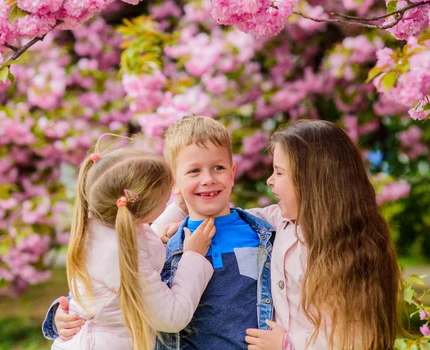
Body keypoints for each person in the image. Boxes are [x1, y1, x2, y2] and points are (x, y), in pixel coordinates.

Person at [43, 117, 276, 350]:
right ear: (175, 184)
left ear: (232, 173)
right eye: (194, 171)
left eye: (218, 168)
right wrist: (59, 316)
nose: (208, 179)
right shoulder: (153, 244)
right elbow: (106, 289)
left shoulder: (263, 228)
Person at [244, 120, 402, 349]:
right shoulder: (281, 220)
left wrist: (288, 344)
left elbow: (357, 336)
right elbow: (231, 218)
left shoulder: (353, 248)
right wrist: (179, 218)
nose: (270, 180)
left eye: (279, 172)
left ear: (311, 182)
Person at [50, 138, 216, 350]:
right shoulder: (117, 256)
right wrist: (194, 257)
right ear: (141, 212)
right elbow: (172, 317)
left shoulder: (103, 225)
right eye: (166, 200)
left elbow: (137, 242)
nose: (170, 199)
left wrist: (178, 208)